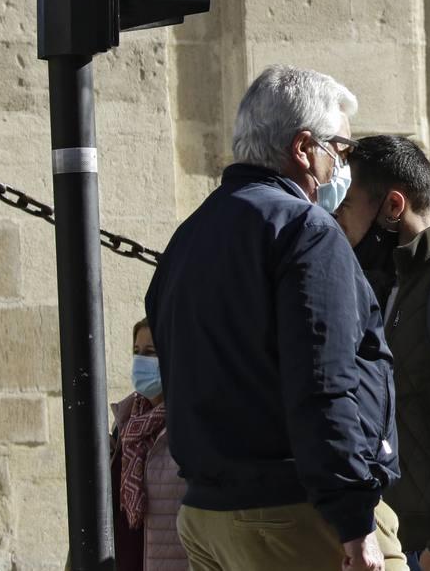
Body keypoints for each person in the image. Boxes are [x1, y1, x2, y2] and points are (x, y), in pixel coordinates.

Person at [145, 65, 405, 571]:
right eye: (342, 151)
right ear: (304, 148)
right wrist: (354, 520)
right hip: (294, 512)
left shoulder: (192, 233)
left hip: (208, 510)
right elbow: (324, 382)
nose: (342, 169)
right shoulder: (305, 229)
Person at [336, 135, 430, 571]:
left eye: (346, 204)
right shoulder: (387, 287)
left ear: (393, 206)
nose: (337, 219)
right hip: (398, 542)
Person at [110, 319, 187, 571]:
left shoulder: (191, 424)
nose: (141, 361)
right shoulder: (125, 424)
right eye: (136, 352)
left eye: (151, 353)